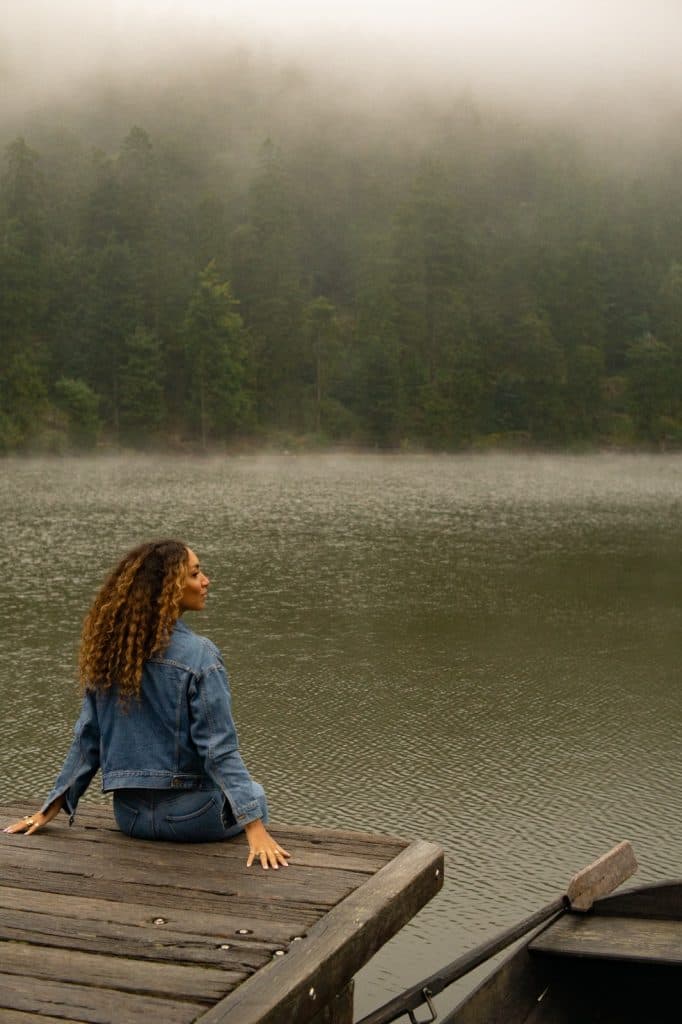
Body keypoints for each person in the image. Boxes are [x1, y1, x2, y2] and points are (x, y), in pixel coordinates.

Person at [3, 539, 290, 871]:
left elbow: (87, 740)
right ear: (169, 588)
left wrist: (49, 809)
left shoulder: (112, 654)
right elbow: (218, 750)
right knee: (256, 792)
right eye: (196, 574)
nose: (206, 581)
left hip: (131, 819)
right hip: (194, 820)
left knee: (244, 795)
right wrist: (254, 826)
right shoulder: (200, 655)